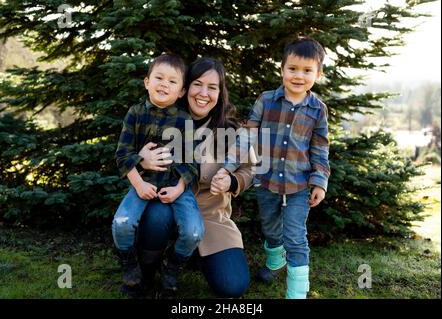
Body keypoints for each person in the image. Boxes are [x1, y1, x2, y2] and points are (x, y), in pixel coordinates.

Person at [135, 57, 254, 298]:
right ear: (185, 88)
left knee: (233, 286)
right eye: (197, 84)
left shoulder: (232, 131)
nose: (203, 93)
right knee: (157, 216)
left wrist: (232, 182)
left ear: (220, 93)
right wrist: (141, 160)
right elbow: (127, 153)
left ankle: (193, 256)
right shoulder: (159, 119)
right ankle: (146, 270)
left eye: (212, 87)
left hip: (211, 217)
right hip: (166, 207)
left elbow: (250, 170)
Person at [224, 37, 330, 299]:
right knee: (271, 228)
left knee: (295, 237)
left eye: (307, 71)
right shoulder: (266, 100)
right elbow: (247, 136)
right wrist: (228, 168)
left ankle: (296, 293)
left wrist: (319, 181)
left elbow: (320, 148)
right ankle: (275, 260)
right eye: (292, 69)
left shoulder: (318, 110)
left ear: (318, 74)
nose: (298, 76)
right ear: (282, 69)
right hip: (266, 179)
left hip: (300, 184)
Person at [112, 53, 203, 295]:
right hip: (142, 182)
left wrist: (179, 188)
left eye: (172, 81)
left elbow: (191, 161)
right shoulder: (135, 113)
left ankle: (171, 268)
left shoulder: (184, 120)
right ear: (147, 82)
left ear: (182, 91)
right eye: (159, 77)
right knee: (122, 223)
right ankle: (131, 268)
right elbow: (122, 154)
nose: (164, 84)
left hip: (175, 186)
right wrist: (139, 183)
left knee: (194, 231)